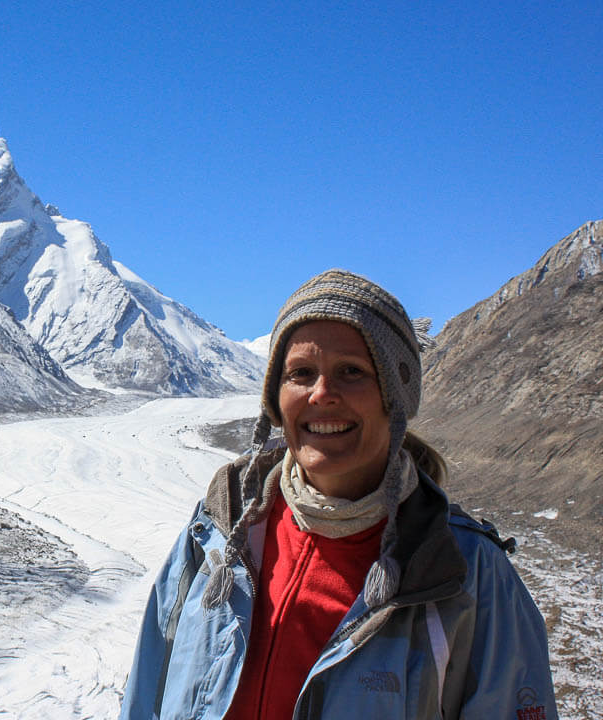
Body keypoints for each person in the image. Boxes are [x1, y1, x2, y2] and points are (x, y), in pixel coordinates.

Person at [119, 269, 556, 719]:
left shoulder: (464, 573)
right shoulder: (219, 526)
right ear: (275, 397)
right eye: (301, 373)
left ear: (396, 397)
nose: (322, 394)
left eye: (352, 372)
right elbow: (149, 686)